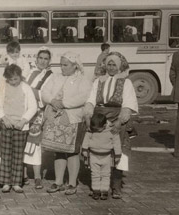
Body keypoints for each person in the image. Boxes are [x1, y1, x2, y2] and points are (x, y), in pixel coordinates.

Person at [84, 51, 138, 199]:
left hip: (117, 119)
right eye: (109, 64)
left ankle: (116, 186)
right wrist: (89, 117)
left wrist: (120, 122)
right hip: (99, 121)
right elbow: (90, 100)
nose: (112, 67)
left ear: (120, 66)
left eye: (114, 64)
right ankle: (97, 186)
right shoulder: (98, 81)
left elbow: (128, 104)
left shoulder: (126, 82)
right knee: (98, 152)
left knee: (118, 151)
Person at [41, 52, 92, 196]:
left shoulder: (83, 80)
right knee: (59, 151)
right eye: (61, 64)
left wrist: (63, 103)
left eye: (65, 65)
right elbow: (44, 92)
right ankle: (58, 181)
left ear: (75, 66)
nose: (62, 68)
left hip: (73, 118)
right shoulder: (55, 77)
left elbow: (83, 97)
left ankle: (71, 182)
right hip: (55, 118)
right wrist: (52, 101)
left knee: (72, 152)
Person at [0, 64, 37, 193]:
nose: (13, 82)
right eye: (10, 79)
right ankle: (6, 182)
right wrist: (3, 118)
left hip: (20, 126)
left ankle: (16, 182)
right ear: (7, 78)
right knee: (5, 154)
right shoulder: (2, 88)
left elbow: (33, 107)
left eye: (16, 79)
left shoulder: (26, 88)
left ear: (20, 77)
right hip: (6, 125)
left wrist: (23, 121)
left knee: (18, 155)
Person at [22, 47, 53, 189]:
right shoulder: (31, 72)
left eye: (46, 59)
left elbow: (44, 95)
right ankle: (23, 174)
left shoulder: (51, 76)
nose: (42, 61)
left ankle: (37, 176)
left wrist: (28, 90)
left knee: (35, 143)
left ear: (49, 61)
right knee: (22, 140)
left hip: (38, 111)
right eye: (40, 58)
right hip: (24, 110)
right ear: (36, 59)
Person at [81, 113, 122, 200]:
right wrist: (84, 149)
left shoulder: (112, 131)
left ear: (104, 125)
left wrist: (118, 155)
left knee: (106, 174)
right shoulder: (91, 130)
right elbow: (86, 139)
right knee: (94, 173)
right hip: (93, 155)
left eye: (98, 129)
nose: (96, 131)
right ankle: (96, 190)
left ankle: (104, 191)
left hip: (106, 156)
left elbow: (116, 143)